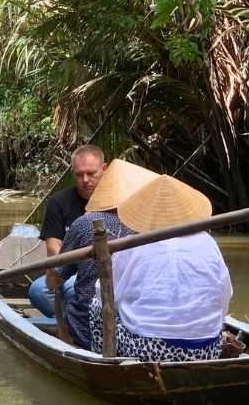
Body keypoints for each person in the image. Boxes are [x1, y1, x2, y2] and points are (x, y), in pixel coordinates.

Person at [89, 174, 232, 362]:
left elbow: (108, 295)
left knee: (97, 305)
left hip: (149, 351)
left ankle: (103, 363)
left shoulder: (133, 243)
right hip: (207, 350)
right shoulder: (207, 241)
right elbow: (225, 295)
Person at [47, 159, 159, 348]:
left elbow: (53, 280)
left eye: (91, 174)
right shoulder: (154, 227)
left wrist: (54, 271)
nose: (85, 180)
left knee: (61, 289)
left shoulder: (85, 223)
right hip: (145, 321)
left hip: (91, 329)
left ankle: (69, 338)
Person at [28, 145, 106, 317]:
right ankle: (73, 322)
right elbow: (53, 249)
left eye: (91, 173)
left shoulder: (116, 202)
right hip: (70, 271)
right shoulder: (59, 203)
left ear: (104, 169)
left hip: (108, 271)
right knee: (39, 291)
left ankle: (80, 321)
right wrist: (75, 271)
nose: (85, 180)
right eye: (79, 174)